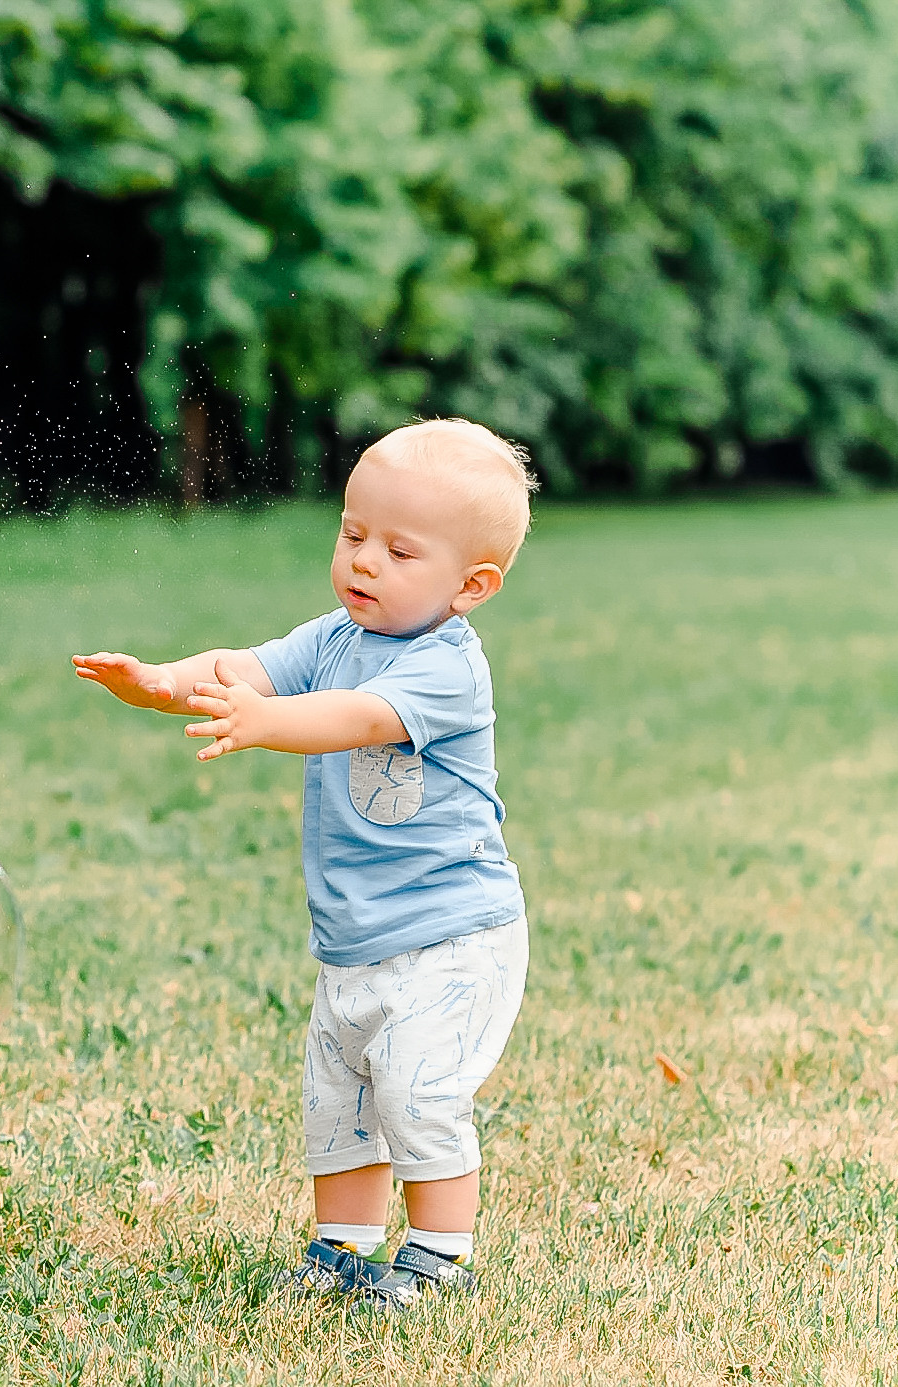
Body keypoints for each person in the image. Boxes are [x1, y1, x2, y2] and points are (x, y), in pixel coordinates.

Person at [72, 418, 537, 1310]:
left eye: (399, 550)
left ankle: (440, 1257)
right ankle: (344, 1250)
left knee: (415, 1089)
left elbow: (353, 718)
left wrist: (265, 723)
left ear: (470, 586)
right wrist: (164, 679)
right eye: (352, 533)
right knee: (340, 1097)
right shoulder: (334, 635)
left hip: (451, 937)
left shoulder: (446, 668)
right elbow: (242, 665)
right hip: (356, 937)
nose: (363, 560)